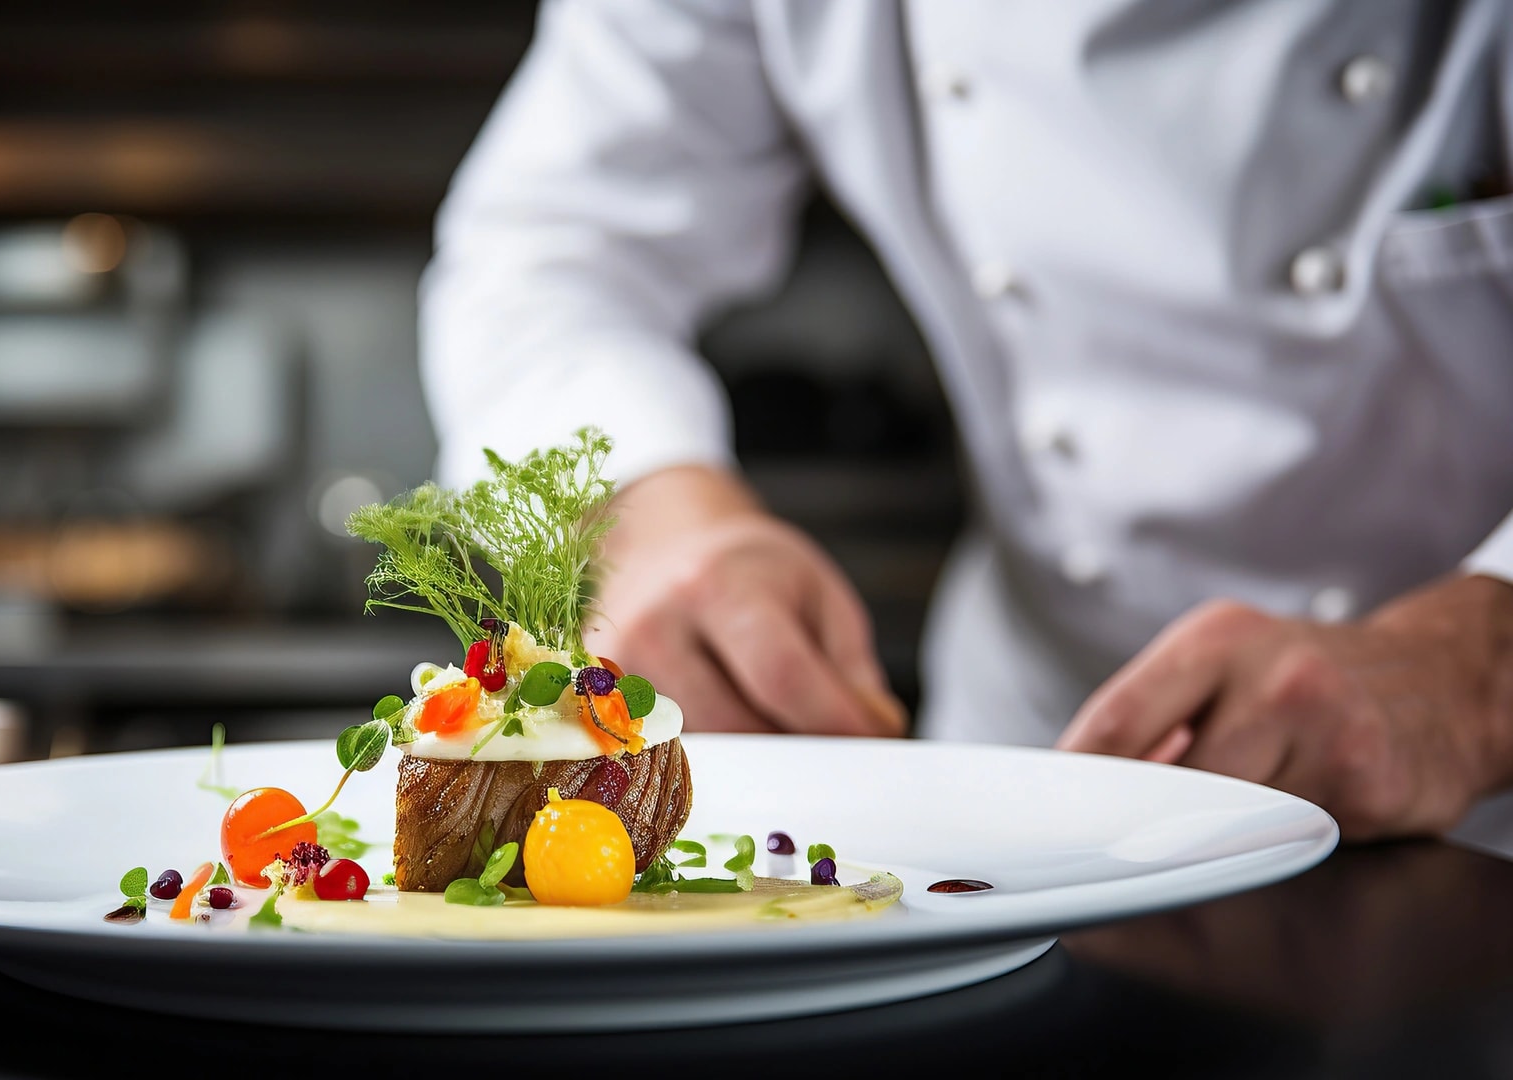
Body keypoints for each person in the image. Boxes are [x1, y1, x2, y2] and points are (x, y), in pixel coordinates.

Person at [418, 1, 1513, 854]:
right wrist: (654, 516)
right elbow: (550, 249)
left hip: (1480, 815)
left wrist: (1479, 669)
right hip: (1031, 755)